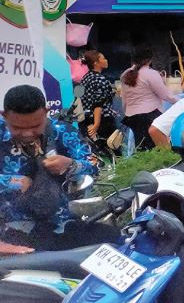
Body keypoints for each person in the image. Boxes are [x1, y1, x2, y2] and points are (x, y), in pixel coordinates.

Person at [0, 85, 114, 253]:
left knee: (113, 241)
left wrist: (71, 164)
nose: (27, 133)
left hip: (60, 225)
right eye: (17, 127)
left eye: (35, 125)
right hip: (10, 232)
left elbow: (96, 165)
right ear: (4, 115)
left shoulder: (62, 132)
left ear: (46, 112)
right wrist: (10, 181)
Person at [121, 46, 180, 149]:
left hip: (132, 116)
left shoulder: (125, 74)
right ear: (149, 60)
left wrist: (126, 112)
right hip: (150, 115)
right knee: (155, 147)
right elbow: (165, 95)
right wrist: (181, 102)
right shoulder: (150, 74)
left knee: (140, 146)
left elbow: (124, 98)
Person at [79, 50, 119, 155]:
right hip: (102, 121)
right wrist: (96, 124)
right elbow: (98, 104)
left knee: (95, 152)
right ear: (96, 62)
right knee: (114, 150)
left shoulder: (84, 78)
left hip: (86, 119)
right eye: (103, 58)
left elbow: (77, 98)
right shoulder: (100, 79)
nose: (106, 60)